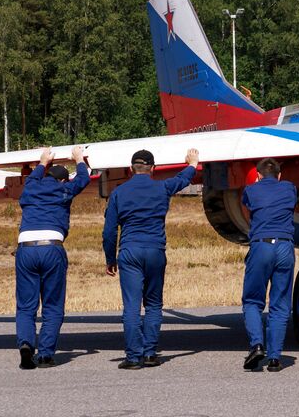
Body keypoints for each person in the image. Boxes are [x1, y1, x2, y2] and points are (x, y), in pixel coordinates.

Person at [102, 148, 201, 370]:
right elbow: (182, 179)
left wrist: (110, 259)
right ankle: (150, 353)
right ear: (153, 169)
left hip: (130, 252)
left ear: (130, 169)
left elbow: (109, 231)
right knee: (154, 304)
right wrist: (193, 163)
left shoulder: (119, 192)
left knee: (131, 306)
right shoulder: (162, 187)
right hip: (156, 250)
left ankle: (134, 357)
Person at [15, 146, 92, 369]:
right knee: (52, 305)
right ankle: (46, 355)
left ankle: (26, 344)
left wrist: (42, 161)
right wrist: (79, 159)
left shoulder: (30, 187)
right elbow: (84, 180)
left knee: (26, 305)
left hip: (25, 247)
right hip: (52, 246)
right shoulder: (63, 190)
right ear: (62, 181)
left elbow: (34, 176)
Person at [240, 158, 297, 373]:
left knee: (253, 300)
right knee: (280, 304)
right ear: (280, 175)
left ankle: (257, 344)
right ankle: (274, 358)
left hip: (261, 245)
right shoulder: (289, 188)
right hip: (284, 247)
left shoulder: (251, 190)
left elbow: (247, 209)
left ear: (258, 175)